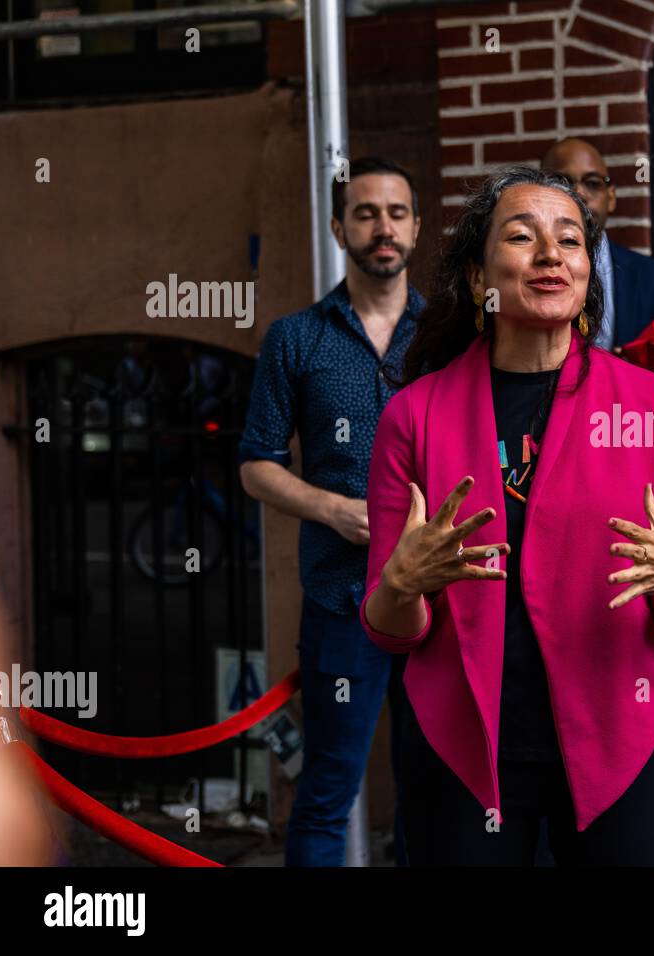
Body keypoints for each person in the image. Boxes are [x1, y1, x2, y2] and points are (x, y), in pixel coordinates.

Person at [360, 164, 654, 866]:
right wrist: (400, 586)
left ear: (588, 272)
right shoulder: (414, 415)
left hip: (619, 739)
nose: (551, 254)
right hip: (462, 747)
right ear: (477, 279)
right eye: (522, 237)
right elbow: (391, 631)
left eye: (571, 241)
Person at [238, 157, 423, 866]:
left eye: (397, 212)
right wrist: (332, 510)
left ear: (416, 226)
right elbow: (257, 462)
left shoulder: (449, 340)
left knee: (431, 789)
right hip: (341, 595)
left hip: (438, 599)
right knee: (325, 793)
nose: (383, 226)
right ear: (340, 226)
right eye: (366, 212)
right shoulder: (296, 338)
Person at [541, 138, 654, 426]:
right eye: (562, 182)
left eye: (592, 182)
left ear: (612, 196)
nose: (578, 193)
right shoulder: (524, 279)